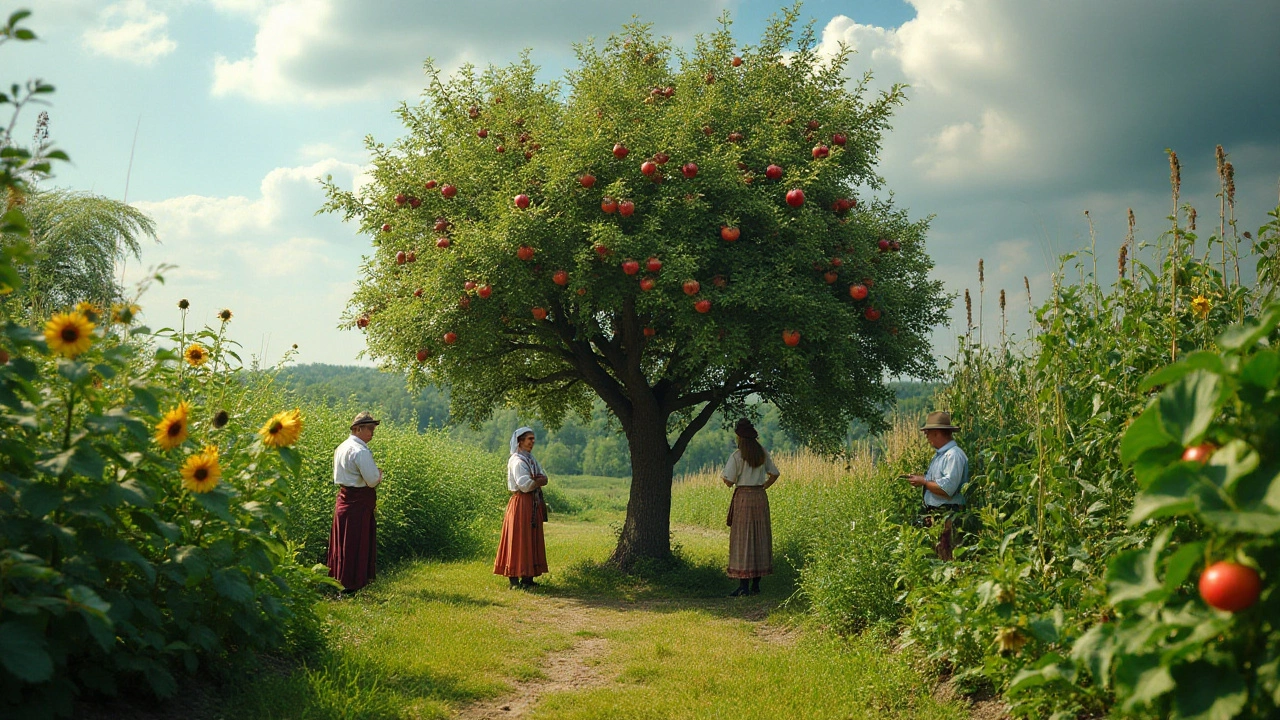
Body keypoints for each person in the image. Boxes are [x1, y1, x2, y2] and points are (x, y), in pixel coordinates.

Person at [722, 418, 780, 597]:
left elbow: (728, 481)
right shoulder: (762, 453)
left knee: (743, 538)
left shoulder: (737, 456)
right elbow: (775, 474)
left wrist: (725, 478)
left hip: (744, 498)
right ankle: (756, 585)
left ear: (739, 437)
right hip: (759, 497)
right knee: (758, 537)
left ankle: (743, 586)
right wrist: (764, 486)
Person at [327, 411, 384, 592]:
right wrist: (379, 475)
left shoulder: (341, 447)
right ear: (358, 429)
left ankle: (338, 580)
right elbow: (372, 480)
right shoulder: (359, 451)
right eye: (369, 428)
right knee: (355, 542)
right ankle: (353, 583)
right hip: (358, 502)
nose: (372, 432)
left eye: (373, 428)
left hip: (344, 500)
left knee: (343, 542)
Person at [901, 411, 969, 561]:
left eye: (928, 434)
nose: (927, 439)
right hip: (938, 515)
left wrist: (924, 482)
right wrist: (922, 480)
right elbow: (939, 482)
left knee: (948, 559)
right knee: (939, 557)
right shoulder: (940, 456)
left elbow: (947, 489)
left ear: (937, 433)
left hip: (948, 515)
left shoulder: (953, 455)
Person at [494, 426, 549, 589]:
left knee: (530, 538)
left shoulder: (530, 459)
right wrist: (537, 481)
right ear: (520, 441)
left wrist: (538, 480)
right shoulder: (517, 461)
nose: (533, 442)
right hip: (521, 503)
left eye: (533, 439)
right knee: (518, 538)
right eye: (529, 439)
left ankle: (528, 578)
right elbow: (525, 485)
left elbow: (543, 475)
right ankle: (514, 579)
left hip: (532, 502)